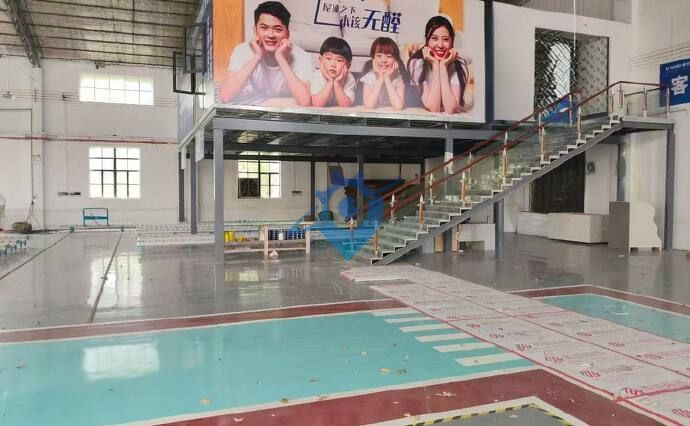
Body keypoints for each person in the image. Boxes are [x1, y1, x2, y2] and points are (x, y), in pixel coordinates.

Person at [219, 1, 311, 106]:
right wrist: (257, 57)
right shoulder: (242, 50)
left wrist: (281, 59)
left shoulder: (301, 56)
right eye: (264, 28)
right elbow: (226, 95)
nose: (270, 35)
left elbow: (305, 101)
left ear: (287, 34)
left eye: (277, 29)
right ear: (255, 31)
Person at [407, 16, 473, 113]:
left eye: (445, 39)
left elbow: (450, 109)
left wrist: (443, 66)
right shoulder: (417, 63)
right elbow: (434, 108)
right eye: (434, 38)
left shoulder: (459, 64)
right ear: (427, 40)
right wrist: (435, 64)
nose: (440, 45)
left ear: (452, 41)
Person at [358, 37, 410, 110]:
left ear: (395, 60)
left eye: (389, 56)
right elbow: (368, 106)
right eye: (379, 56)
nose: (384, 60)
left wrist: (387, 79)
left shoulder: (398, 79)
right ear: (373, 59)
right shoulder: (369, 77)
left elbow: (398, 107)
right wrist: (380, 79)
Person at [311, 37, 356, 108]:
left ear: (348, 65)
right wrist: (329, 82)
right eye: (328, 58)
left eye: (339, 60)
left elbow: (345, 105)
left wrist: (337, 83)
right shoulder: (317, 75)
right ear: (321, 60)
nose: (333, 64)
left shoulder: (349, 77)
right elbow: (318, 104)